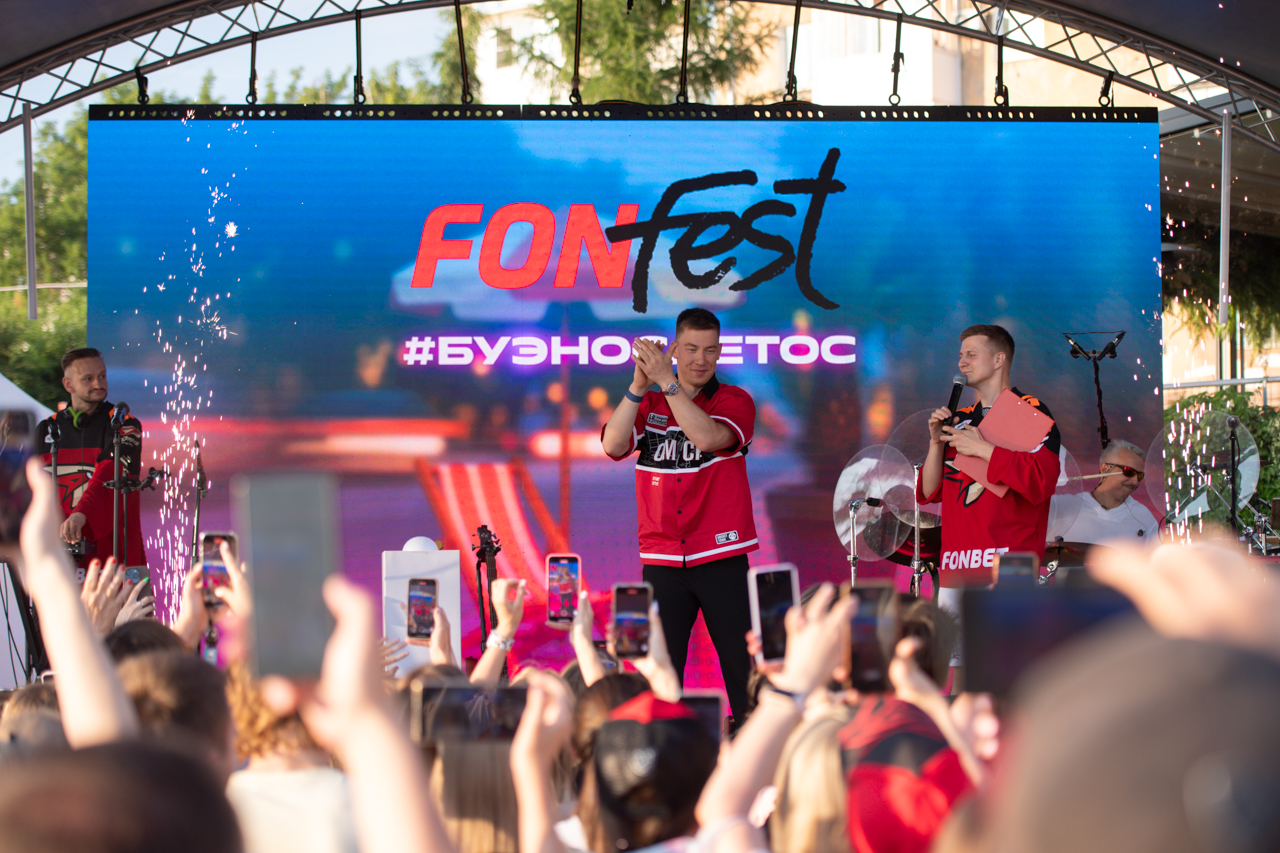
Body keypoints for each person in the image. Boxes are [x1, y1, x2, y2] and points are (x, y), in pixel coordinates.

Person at [601, 307, 757, 721]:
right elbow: (613, 446)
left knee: (743, 671)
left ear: (720, 352)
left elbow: (706, 437)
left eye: (709, 350)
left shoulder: (735, 400)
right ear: (674, 349)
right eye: (690, 349)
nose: (700, 360)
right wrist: (638, 386)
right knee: (658, 673)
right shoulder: (650, 402)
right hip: (663, 558)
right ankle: (662, 748)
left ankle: (753, 744)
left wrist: (667, 382)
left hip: (721, 554)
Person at [920, 324, 1061, 583]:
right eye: (960, 356)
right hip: (956, 564)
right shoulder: (959, 419)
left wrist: (983, 449)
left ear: (999, 360)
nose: (962, 363)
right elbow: (929, 493)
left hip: (1010, 565)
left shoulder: (1031, 410)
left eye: (971, 355)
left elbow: (1041, 481)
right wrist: (935, 442)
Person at [35, 347, 146, 570]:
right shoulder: (46, 428)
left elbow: (110, 472)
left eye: (102, 376)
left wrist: (81, 514)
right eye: (88, 378)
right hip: (58, 558)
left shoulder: (125, 424)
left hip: (113, 557)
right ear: (68, 385)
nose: (98, 383)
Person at [1048, 439, 1160, 547]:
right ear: (1105, 469)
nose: (1135, 481)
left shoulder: (1144, 517)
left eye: (1139, 475)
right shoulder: (1060, 505)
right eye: (1129, 472)